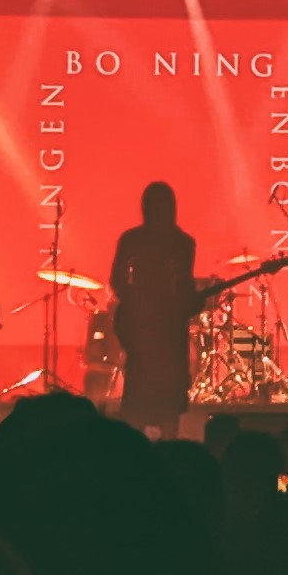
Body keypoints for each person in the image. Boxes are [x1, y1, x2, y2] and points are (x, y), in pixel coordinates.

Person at [107, 182, 199, 439]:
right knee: (143, 401)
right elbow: (117, 279)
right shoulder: (136, 240)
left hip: (167, 333)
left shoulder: (182, 243)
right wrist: (137, 304)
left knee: (165, 407)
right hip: (147, 331)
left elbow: (184, 286)